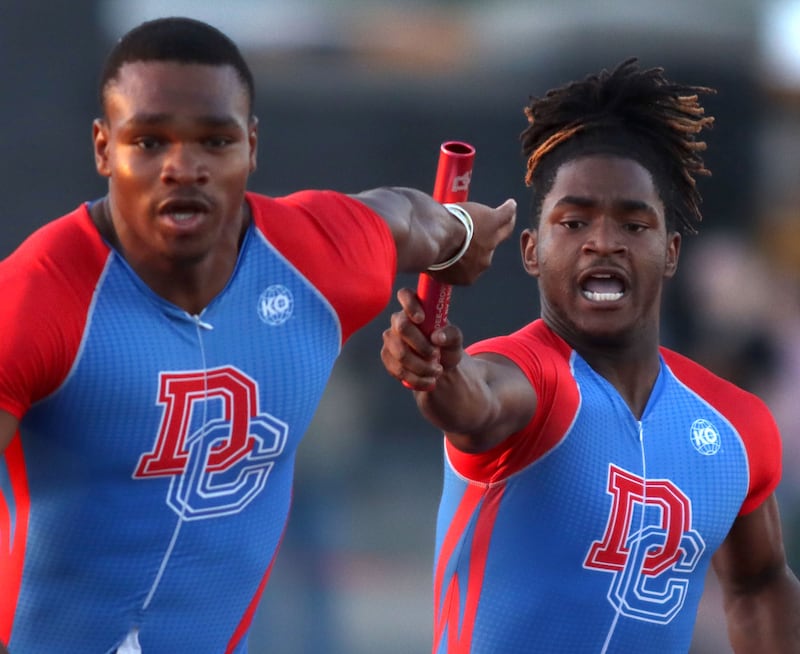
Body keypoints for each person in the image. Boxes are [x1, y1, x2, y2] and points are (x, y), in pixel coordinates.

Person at [0, 16, 516, 654]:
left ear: (251, 146)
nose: (182, 167)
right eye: (150, 141)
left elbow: (409, 214)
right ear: (105, 148)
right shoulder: (35, 299)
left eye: (214, 142)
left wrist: (461, 236)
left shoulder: (317, 256)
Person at [381, 59, 800, 653]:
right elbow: (472, 398)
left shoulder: (736, 424)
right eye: (574, 222)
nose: (603, 242)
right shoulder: (532, 376)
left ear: (671, 251)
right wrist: (437, 371)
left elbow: (760, 584)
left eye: (634, 225)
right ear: (532, 250)